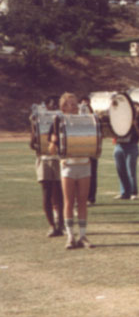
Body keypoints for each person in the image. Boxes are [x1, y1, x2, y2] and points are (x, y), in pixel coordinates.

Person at [48, 93, 93, 249]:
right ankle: (70, 236)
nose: (74, 107)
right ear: (63, 107)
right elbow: (51, 150)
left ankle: (82, 235)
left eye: (76, 104)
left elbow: (93, 141)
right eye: (71, 104)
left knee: (82, 201)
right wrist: (54, 142)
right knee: (68, 202)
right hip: (68, 166)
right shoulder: (57, 122)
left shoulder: (86, 121)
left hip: (84, 164)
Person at [31, 96, 64, 237]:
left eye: (56, 105)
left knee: (59, 194)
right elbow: (32, 144)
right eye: (51, 105)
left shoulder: (64, 121)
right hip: (44, 160)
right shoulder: (39, 120)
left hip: (58, 160)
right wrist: (34, 132)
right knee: (46, 192)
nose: (54, 107)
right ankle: (52, 225)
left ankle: (61, 223)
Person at [113, 105, 139, 200]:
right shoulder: (121, 118)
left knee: (131, 171)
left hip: (131, 146)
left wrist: (135, 125)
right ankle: (124, 192)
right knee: (121, 170)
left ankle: (133, 192)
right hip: (119, 145)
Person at [78, 96, 98, 204]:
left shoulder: (94, 119)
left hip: (91, 148)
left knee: (92, 174)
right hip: (81, 150)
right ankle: (82, 197)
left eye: (87, 104)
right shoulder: (77, 120)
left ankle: (91, 197)